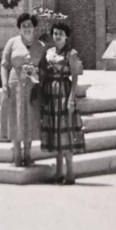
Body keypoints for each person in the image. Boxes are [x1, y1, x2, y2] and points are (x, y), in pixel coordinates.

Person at [38, 21, 85, 184]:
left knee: (65, 132)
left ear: (66, 36)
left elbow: (75, 77)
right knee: (55, 132)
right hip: (51, 93)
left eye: (60, 34)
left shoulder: (71, 53)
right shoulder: (49, 52)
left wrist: (72, 98)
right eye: (55, 33)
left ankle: (70, 173)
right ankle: (58, 172)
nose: (57, 36)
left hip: (64, 92)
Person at [0, 13, 44, 166]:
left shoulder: (41, 46)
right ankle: (17, 155)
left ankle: (28, 154)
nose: (27, 28)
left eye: (29, 25)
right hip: (15, 85)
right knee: (15, 118)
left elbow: (45, 68)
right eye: (24, 26)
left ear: (34, 27)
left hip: (32, 87)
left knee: (30, 119)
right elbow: (4, 65)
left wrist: (37, 73)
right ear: (19, 28)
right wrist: (4, 84)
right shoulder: (12, 42)